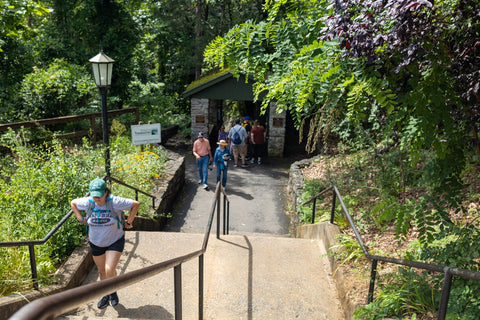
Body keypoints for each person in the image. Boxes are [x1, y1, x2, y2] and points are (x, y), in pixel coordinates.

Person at [71, 178, 140, 309]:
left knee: (109, 269)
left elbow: (135, 204)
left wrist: (129, 221)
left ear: (106, 192)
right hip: (96, 241)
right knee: (102, 272)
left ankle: (112, 292)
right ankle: (106, 294)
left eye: (99, 196)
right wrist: (80, 218)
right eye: (94, 196)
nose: (97, 199)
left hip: (114, 240)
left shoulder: (115, 201)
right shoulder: (88, 202)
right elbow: (73, 203)